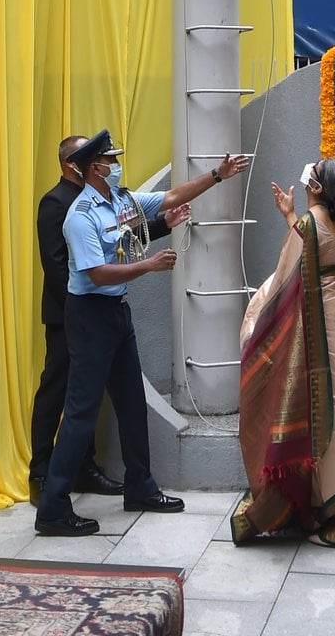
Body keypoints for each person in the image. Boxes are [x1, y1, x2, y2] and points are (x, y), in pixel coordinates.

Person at [35, 127, 251, 537]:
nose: (116, 165)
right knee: (80, 412)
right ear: (92, 168)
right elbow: (95, 273)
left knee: (132, 404)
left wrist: (217, 176)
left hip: (116, 313)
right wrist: (147, 266)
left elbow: (170, 198)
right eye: (109, 160)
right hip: (89, 314)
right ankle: (53, 507)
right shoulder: (78, 217)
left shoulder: (120, 200)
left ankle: (140, 487)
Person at [28, 134, 178, 502]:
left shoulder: (106, 200)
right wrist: (80, 313)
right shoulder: (59, 204)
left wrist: (167, 221)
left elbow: (124, 230)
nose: (112, 164)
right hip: (74, 314)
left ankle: (87, 470)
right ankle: (43, 475)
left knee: (102, 402)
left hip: (101, 309)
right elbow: (58, 266)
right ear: (75, 163)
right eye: (104, 159)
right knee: (60, 396)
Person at [230, 156, 335, 549]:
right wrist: (291, 215)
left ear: (317, 188)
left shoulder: (310, 225)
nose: (307, 175)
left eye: (314, 174)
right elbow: (311, 250)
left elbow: (288, 274)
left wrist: (259, 319)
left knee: (329, 423)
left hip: (324, 333)